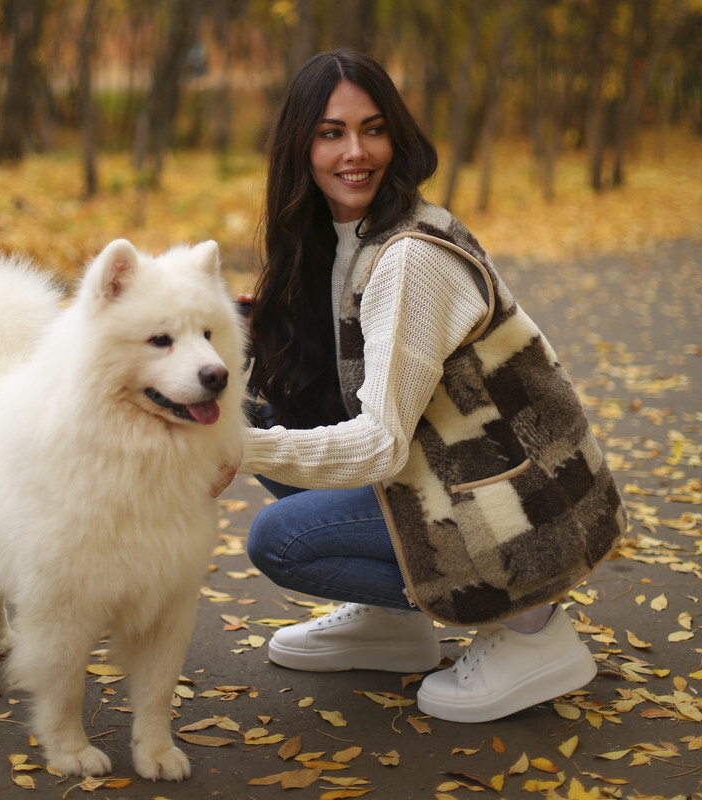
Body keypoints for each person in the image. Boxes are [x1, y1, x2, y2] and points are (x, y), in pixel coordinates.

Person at [234, 48, 626, 723]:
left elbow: (379, 446)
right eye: (331, 132)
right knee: (266, 403)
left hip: (525, 508)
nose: (355, 151)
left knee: (279, 538)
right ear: (299, 144)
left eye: (373, 128)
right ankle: (392, 625)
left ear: (398, 135)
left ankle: (534, 632)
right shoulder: (347, 237)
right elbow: (338, 381)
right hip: (469, 476)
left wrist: (233, 451)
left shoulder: (409, 258)